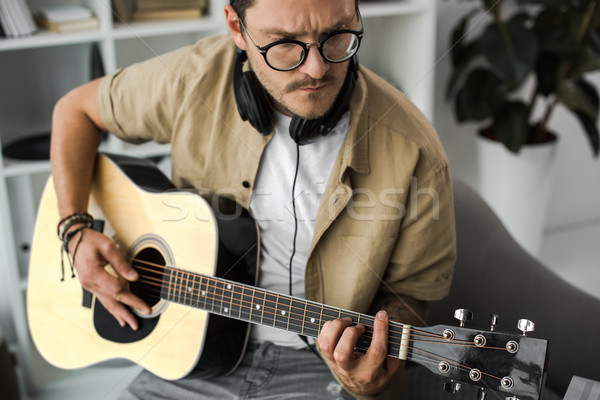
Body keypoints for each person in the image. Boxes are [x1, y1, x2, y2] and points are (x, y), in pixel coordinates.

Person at [50, 0, 456, 398]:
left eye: (336, 35)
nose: (317, 68)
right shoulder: (195, 75)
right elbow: (74, 111)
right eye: (285, 43)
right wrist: (75, 229)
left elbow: (410, 295)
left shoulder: (415, 149)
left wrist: (372, 369)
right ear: (235, 26)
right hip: (184, 351)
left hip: (313, 367)